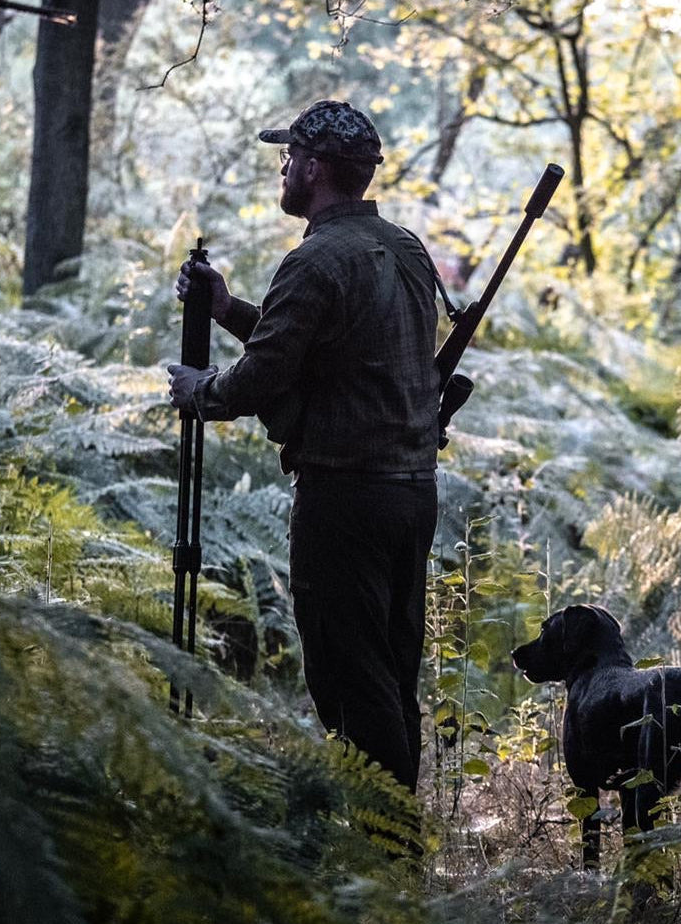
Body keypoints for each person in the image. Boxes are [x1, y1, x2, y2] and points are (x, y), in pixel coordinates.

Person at [167, 100, 440, 794]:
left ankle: (385, 860)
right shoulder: (406, 248)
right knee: (391, 671)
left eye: (289, 157)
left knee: (352, 678)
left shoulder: (314, 260)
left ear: (315, 169)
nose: (283, 168)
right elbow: (319, 354)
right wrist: (226, 309)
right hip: (411, 495)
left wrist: (200, 391)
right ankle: (394, 844)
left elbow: (262, 377)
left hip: (343, 500)